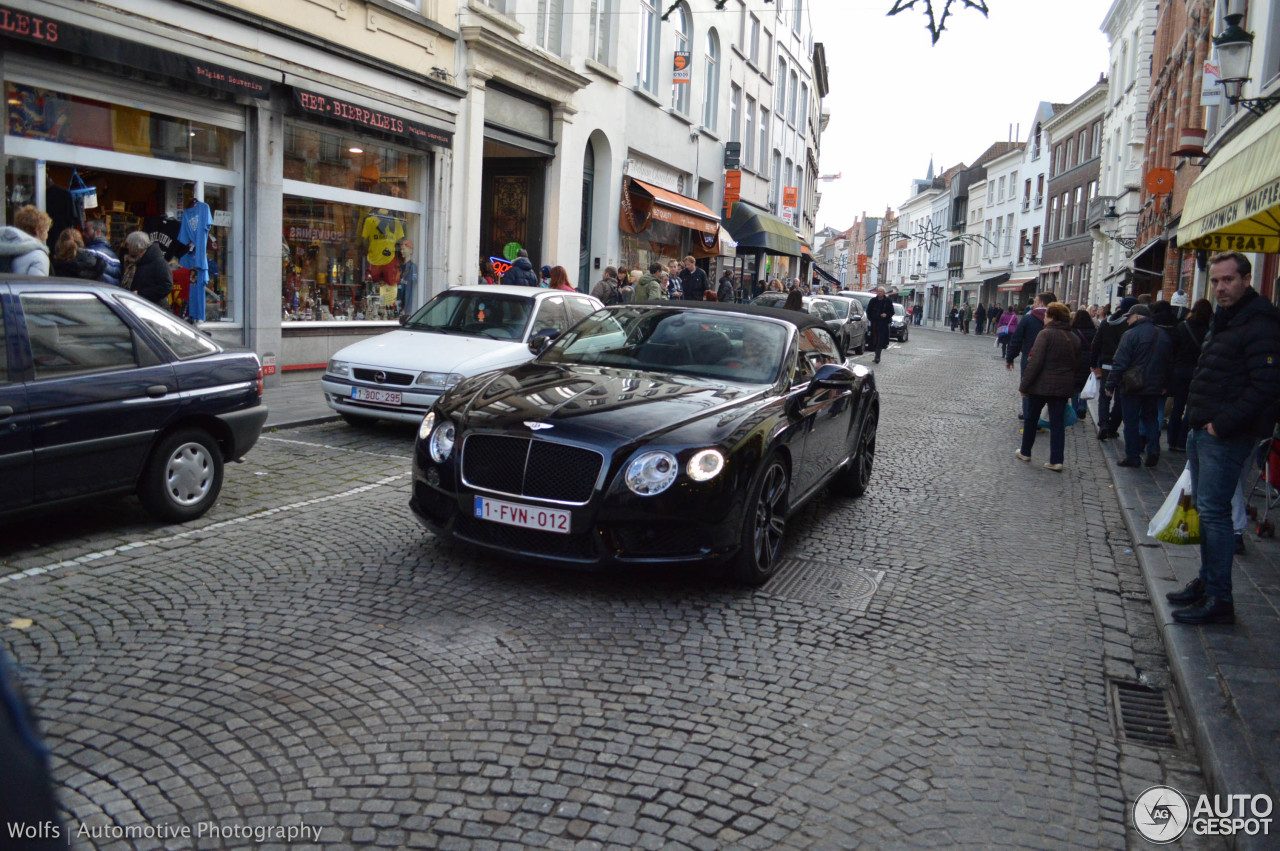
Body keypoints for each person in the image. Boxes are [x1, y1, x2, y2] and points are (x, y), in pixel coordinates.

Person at [1167, 252, 1280, 625]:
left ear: (1246, 279)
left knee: (1215, 516)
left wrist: (1221, 425)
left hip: (1225, 435)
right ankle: (1207, 582)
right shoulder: (1226, 318)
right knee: (1206, 511)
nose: (1220, 287)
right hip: (1204, 430)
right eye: (1215, 281)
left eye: (1228, 280)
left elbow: (1265, 385)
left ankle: (1219, 598)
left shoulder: (1259, 322)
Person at [1105, 303, 1171, 468]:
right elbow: (1169, 362)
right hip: (1154, 385)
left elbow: (1120, 362)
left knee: (1131, 421)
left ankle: (1133, 456)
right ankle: (1154, 449)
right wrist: (1166, 383)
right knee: (1151, 418)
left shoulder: (1130, 334)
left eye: (1129, 317)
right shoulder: (1162, 335)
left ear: (1137, 316)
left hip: (1132, 385)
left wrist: (1110, 384)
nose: (1127, 320)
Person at [1016, 303, 1079, 471]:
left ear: (1052, 317)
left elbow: (1034, 363)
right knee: (1057, 423)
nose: (1043, 318)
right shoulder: (1073, 337)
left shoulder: (1045, 334)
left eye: (1046, 316)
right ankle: (1056, 460)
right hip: (1062, 388)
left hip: (1040, 386)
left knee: (1031, 418)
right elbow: (1077, 365)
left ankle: (1025, 451)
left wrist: (1024, 386)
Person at [1167, 298, 1212, 453]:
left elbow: (1173, 349)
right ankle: (1182, 441)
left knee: (1177, 407)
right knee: (1190, 409)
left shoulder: (1182, 327)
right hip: (1198, 372)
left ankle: (1171, 440)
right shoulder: (1208, 331)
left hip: (1180, 371)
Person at [1091, 296, 1137, 441]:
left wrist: (1093, 363)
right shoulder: (1131, 325)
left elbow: (1096, 344)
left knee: (1104, 397)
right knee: (1120, 399)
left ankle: (1103, 424)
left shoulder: (1106, 323)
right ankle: (1112, 428)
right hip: (1125, 367)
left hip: (1107, 365)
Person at [1006, 291, 1058, 421]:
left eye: (1035, 301)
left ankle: (1029, 417)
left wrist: (1010, 357)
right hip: (1052, 361)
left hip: (1030, 358)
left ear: (1041, 303)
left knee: (1028, 386)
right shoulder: (1058, 319)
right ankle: (1043, 417)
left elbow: (1016, 340)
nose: (1033, 304)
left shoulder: (1029, 318)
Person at [124, 231, 173, 306]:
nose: (127, 247)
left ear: (137, 246)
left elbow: (166, 286)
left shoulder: (158, 262)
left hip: (152, 308)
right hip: (138, 305)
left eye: (129, 245)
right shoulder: (138, 260)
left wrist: (141, 294)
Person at [0, 204, 51, 275]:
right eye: (46, 231)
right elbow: (36, 285)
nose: (47, 236)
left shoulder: (4, 244)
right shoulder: (38, 256)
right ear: (38, 231)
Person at [1070, 308, 1097, 419]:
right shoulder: (1094, 331)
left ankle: (1075, 409)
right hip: (1089, 360)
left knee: (1074, 387)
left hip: (1076, 360)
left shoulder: (1073, 331)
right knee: (1085, 386)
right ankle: (1082, 406)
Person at [83, 217, 122, 286]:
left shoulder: (90, 252)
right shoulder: (115, 257)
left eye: (86, 230)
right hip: (109, 294)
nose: (83, 234)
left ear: (98, 232)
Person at [866, 286, 893, 364]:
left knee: (880, 341)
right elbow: (868, 311)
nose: (879, 293)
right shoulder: (873, 301)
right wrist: (872, 318)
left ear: (884, 293)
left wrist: (886, 314)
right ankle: (876, 355)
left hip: (883, 324)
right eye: (878, 291)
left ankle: (877, 356)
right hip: (874, 323)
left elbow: (891, 312)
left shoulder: (887, 301)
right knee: (874, 340)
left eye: (881, 291)